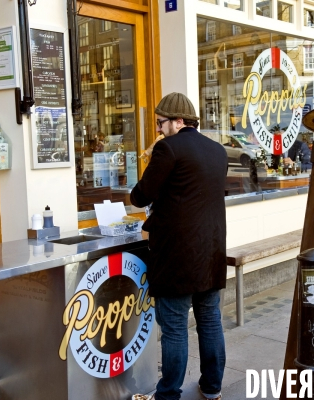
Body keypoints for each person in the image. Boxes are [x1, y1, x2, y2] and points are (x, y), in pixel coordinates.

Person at [130, 93, 227, 400]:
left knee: (174, 328)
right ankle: (212, 388)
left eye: (161, 123)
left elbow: (141, 195)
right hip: (212, 252)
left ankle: (168, 394)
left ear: (178, 121)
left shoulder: (168, 148)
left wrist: (152, 159)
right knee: (210, 321)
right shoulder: (217, 150)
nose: (158, 130)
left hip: (177, 256)